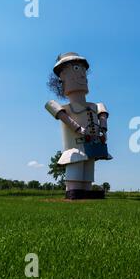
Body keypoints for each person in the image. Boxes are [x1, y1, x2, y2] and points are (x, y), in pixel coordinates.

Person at [45, 52, 112, 200]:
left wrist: (103, 129)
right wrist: (78, 129)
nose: (82, 74)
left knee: (88, 170)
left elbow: (103, 115)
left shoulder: (96, 106)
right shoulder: (60, 107)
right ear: (62, 76)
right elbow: (61, 115)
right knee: (75, 164)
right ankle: (73, 191)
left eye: (83, 70)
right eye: (76, 69)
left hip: (92, 145)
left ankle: (86, 191)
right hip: (74, 147)